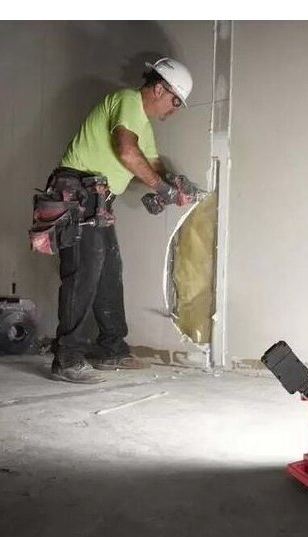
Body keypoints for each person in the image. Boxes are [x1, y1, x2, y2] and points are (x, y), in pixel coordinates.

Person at [45, 57, 195, 383]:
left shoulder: (144, 126)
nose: (175, 109)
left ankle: (112, 349)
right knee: (83, 271)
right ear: (159, 88)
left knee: (109, 272)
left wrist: (175, 183)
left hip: (99, 198)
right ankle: (67, 357)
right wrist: (164, 190)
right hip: (77, 190)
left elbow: (153, 167)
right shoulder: (128, 101)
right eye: (176, 101)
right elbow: (127, 151)